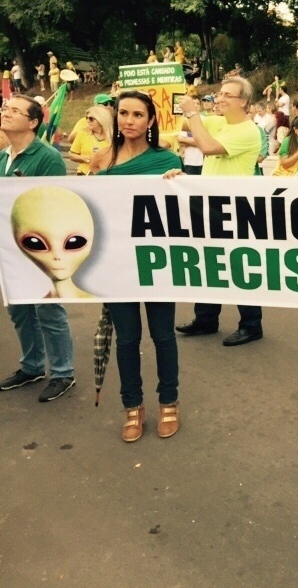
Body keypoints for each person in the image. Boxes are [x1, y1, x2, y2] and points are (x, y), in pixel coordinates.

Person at [95, 91, 183, 441]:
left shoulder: (167, 160)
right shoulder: (102, 159)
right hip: (117, 264)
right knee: (127, 339)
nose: (129, 120)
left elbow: (183, 215)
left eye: (137, 115)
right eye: (123, 114)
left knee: (163, 336)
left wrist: (181, 182)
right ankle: (132, 406)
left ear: (150, 121)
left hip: (156, 263)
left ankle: (169, 402)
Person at [174, 77, 263, 346]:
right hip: (209, 202)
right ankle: (206, 318)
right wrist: (189, 110)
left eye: (227, 95)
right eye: (219, 94)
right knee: (208, 261)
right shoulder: (220, 121)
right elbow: (186, 125)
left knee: (239, 266)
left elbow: (208, 147)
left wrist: (193, 112)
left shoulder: (248, 130)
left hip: (235, 206)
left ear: (244, 102)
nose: (219, 99)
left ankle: (251, 324)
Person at [0, 95, 76, 403]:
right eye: (5, 108)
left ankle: (62, 372)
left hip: (39, 248)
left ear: (33, 122)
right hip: (8, 247)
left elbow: (55, 203)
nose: (6, 112)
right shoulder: (4, 156)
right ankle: (31, 366)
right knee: (19, 310)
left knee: (48, 309)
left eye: (15, 111)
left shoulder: (47, 157)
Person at [68, 105, 113, 175]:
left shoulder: (113, 137)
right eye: (87, 118)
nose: (88, 121)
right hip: (83, 175)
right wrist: (83, 158)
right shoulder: (82, 133)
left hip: (105, 176)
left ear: (101, 119)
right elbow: (71, 155)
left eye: (91, 119)